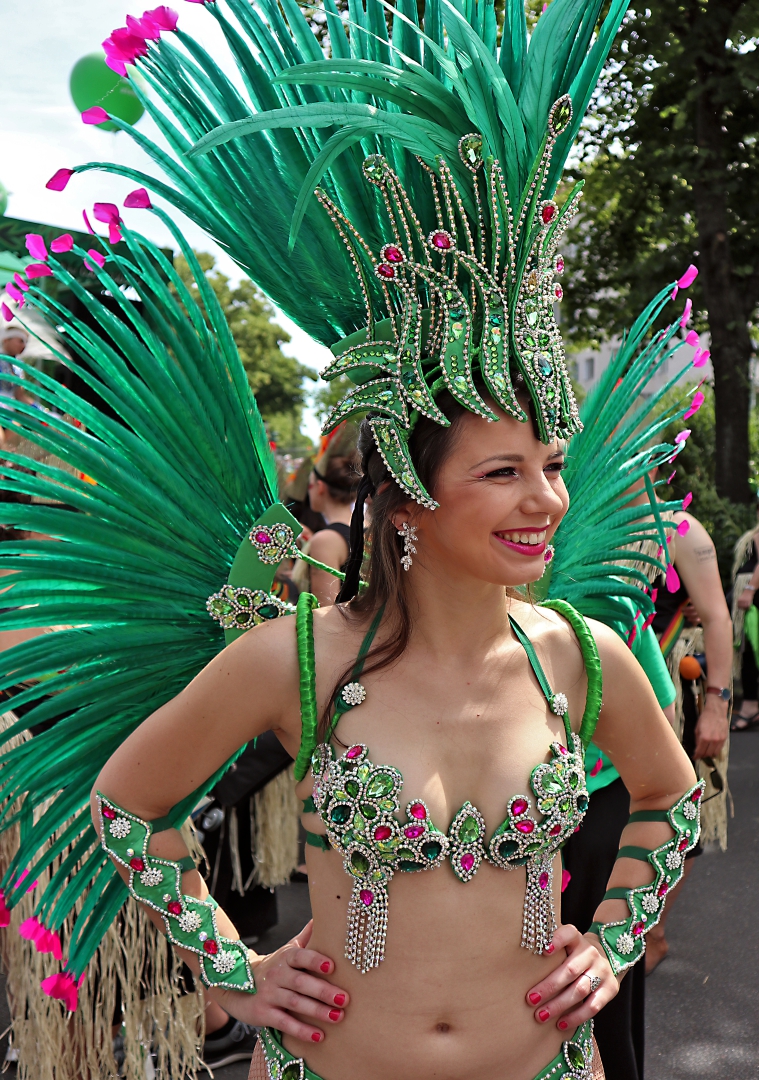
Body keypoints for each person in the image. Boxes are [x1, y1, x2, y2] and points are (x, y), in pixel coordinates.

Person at [0, 3, 706, 1078]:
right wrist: (233, 968)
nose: (548, 502)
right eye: (504, 472)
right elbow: (127, 807)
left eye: (553, 465)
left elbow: (667, 797)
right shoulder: (298, 660)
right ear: (412, 496)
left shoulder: (582, 658)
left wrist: (609, 947)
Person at [295, 423, 360, 607]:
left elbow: (326, 615)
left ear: (320, 488)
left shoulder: (326, 541)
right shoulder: (370, 526)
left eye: (310, 485)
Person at [730, 505, 759, 730]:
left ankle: (750, 706)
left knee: (750, 650)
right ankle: (751, 704)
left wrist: (749, 589)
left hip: (754, 599)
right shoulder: (753, 535)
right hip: (751, 599)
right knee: (748, 651)